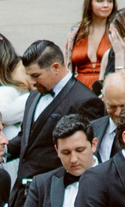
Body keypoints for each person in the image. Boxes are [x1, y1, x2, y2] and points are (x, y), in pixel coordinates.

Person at [12, 40, 97, 188]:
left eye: (36, 75)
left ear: (56, 67)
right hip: (21, 193)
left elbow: (86, 155)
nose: (31, 82)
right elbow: (27, 138)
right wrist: (2, 150)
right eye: (29, 76)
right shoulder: (33, 96)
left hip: (54, 192)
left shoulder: (85, 100)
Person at [70, 0, 120, 93]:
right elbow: (68, 65)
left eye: (110, 1)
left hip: (107, 90)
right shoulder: (76, 32)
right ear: (90, 3)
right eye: (100, 1)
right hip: (77, 90)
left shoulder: (117, 31)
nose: (106, 5)